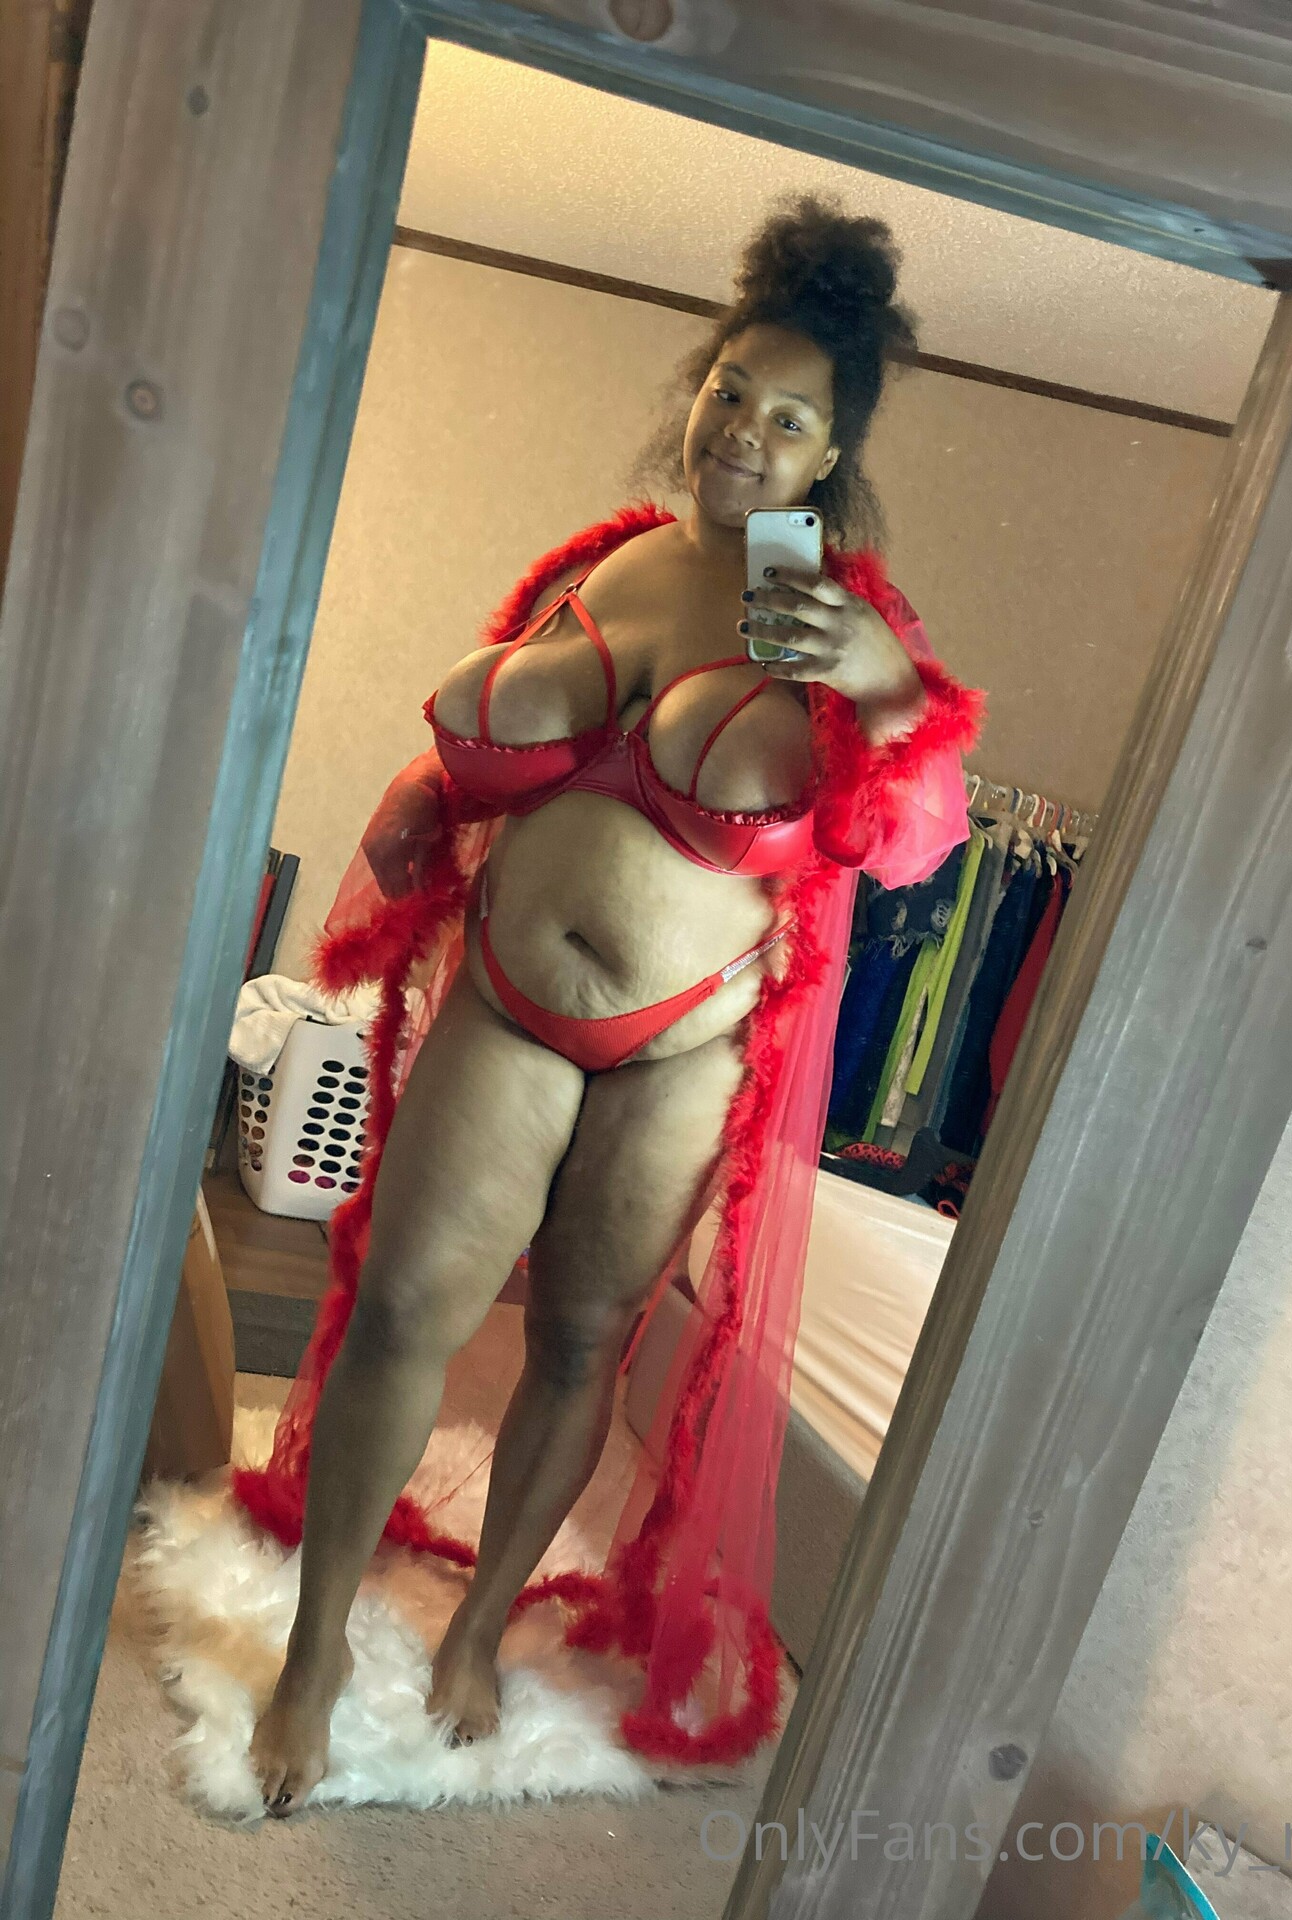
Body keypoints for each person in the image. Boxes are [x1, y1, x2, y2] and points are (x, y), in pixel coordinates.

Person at [234, 193, 985, 1816]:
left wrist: (881, 688)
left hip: (682, 1046)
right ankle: (310, 1654)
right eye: (732, 390)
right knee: (406, 1309)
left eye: (791, 420)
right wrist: (423, 793)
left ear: (832, 458)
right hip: (510, 998)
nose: (744, 432)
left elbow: (915, 840)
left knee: (581, 1338)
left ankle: (475, 1635)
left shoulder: (853, 630)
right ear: (698, 386)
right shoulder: (608, 563)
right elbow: (489, 745)